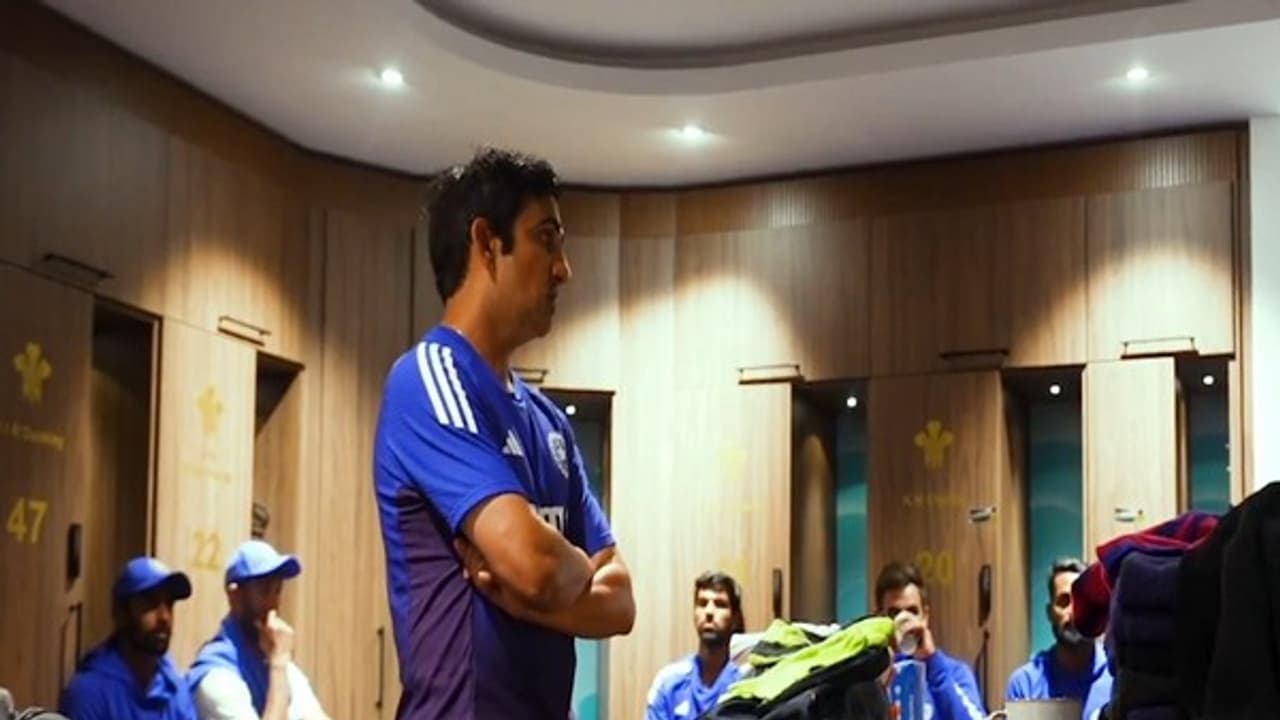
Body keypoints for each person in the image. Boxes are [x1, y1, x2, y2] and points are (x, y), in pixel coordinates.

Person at [373, 147, 635, 719]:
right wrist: (568, 572)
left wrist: (530, 597)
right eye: (546, 239)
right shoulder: (428, 379)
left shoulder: (549, 423)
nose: (563, 269)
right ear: (487, 243)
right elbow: (534, 565)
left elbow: (620, 603)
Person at [187, 540, 329, 720]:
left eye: (277, 591)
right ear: (235, 596)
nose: (273, 604)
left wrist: (279, 664)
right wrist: (278, 663)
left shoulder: (277, 665)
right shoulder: (216, 676)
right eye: (264, 591)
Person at [59, 556, 197, 720]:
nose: (164, 617)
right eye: (150, 603)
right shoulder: (89, 694)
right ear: (121, 613)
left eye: (169, 604)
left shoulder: (174, 688)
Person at [876, 561, 986, 720]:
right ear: (880, 618)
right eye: (894, 613)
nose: (905, 621)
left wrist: (933, 664)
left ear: (925, 616)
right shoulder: (870, 678)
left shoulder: (954, 673)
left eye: (912, 611)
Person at [1006, 558, 1112, 720]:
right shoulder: (1025, 684)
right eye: (1064, 601)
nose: (1073, 612)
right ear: (1050, 613)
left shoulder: (1116, 679)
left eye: (1081, 601)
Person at [646, 572, 746, 719]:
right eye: (702, 603)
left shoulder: (743, 688)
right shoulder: (668, 683)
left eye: (720, 604)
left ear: (735, 618)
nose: (709, 612)